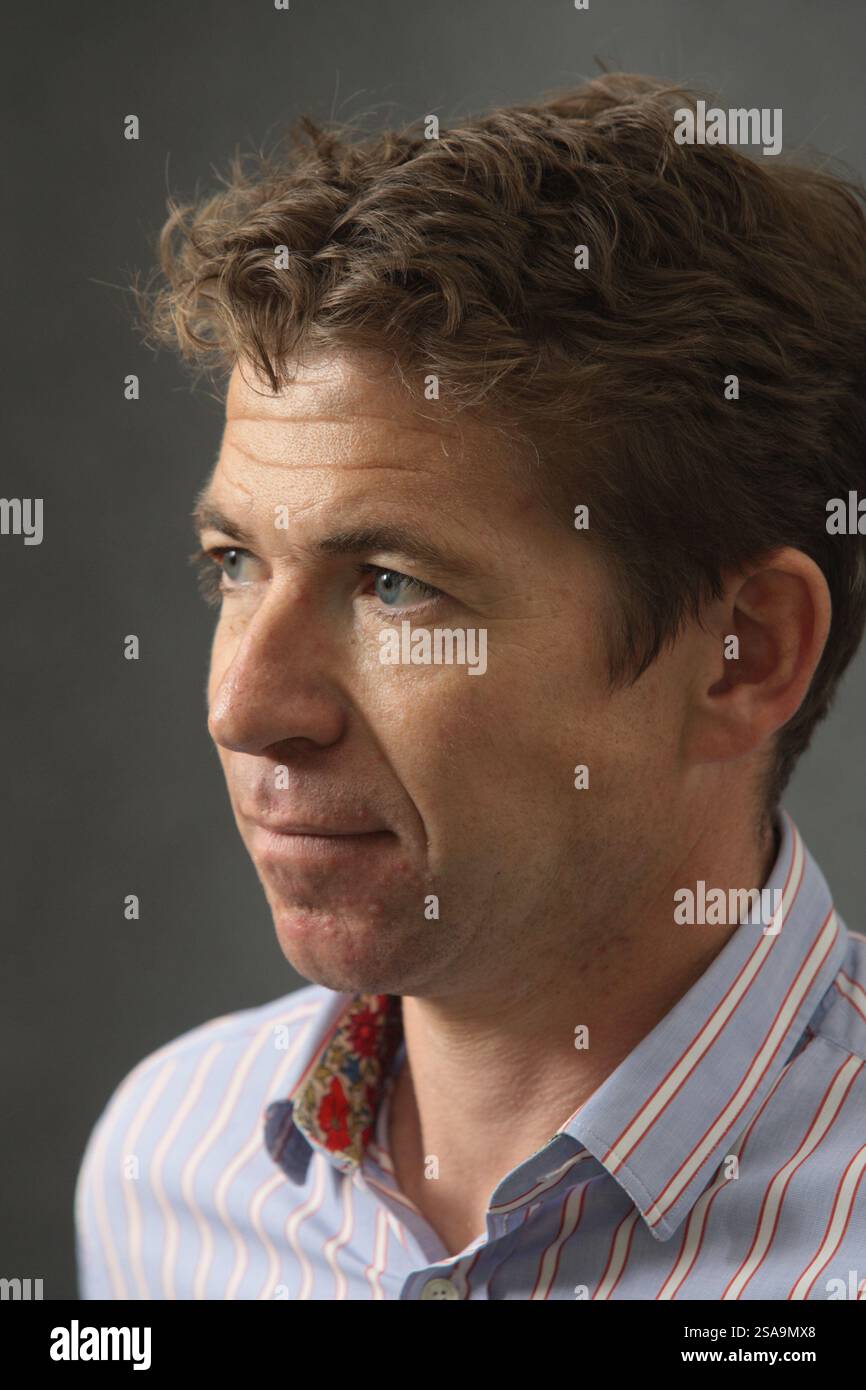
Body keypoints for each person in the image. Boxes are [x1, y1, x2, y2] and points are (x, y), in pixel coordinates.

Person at [75, 72, 866, 1300]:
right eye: (235, 562)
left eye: (393, 585)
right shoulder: (167, 1166)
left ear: (742, 652)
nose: (244, 708)